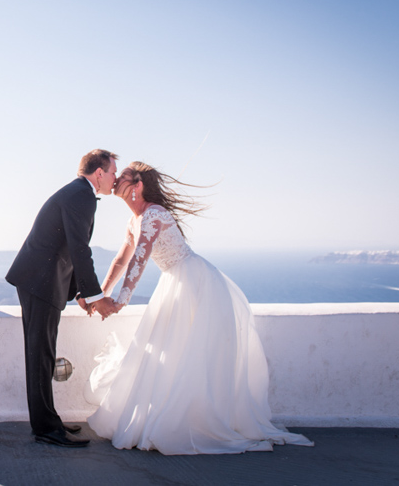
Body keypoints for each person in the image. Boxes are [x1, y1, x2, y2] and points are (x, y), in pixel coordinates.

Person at [82, 161, 313, 455]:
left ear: (137, 186)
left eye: (123, 176)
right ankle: (168, 418)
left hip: (194, 284)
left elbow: (140, 259)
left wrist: (120, 302)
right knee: (169, 353)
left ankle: (187, 423)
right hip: (174, 282)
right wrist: (100, 295)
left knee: (187, 354)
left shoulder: (153, 214)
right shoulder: (133, 221)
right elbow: (120, 262)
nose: (117, 180)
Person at [5, 149, 122, 448]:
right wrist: (96, 297)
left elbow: (68, 247)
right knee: (40, 355)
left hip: (40, 280)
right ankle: (45, 428)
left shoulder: (78, 193)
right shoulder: (81, 195)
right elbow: (80, 248)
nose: (115, 178)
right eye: (112, 172)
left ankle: (49, 421)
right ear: (98, 173)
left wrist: (81, 291)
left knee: (42, 354)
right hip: (39, 281)